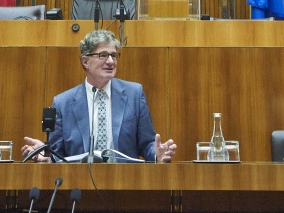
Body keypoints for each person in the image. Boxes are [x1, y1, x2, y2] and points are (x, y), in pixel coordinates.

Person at [21, 29, 176, 163]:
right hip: (79, 184)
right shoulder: (63, 103)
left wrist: (156, 154)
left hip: (125, 183)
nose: (110, 61)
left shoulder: (134, 94)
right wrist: (44, 153)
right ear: (85, 61)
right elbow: (57, 154)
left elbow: (146, 144)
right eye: (103, 55)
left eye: (114, 56)